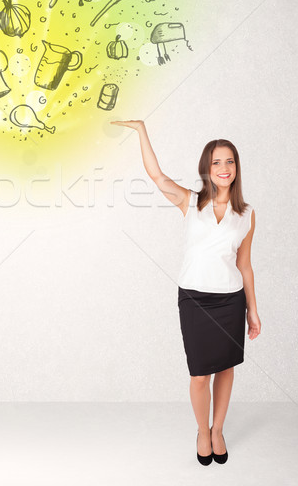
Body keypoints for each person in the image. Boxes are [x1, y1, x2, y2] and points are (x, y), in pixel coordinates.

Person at [111, 120, 261, 465]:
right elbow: (158, 176)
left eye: (230, 162)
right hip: (194, 299)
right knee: (199, 374)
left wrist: (252, 310)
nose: (224, 168)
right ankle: (202, 430)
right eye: (216, 162)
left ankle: (218, 429)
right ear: (206, 169)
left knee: (226, 368)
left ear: (236, 168)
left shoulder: (247, 214)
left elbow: (246, 266)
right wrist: (142, 130)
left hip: (230, 300)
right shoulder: (191, 202)